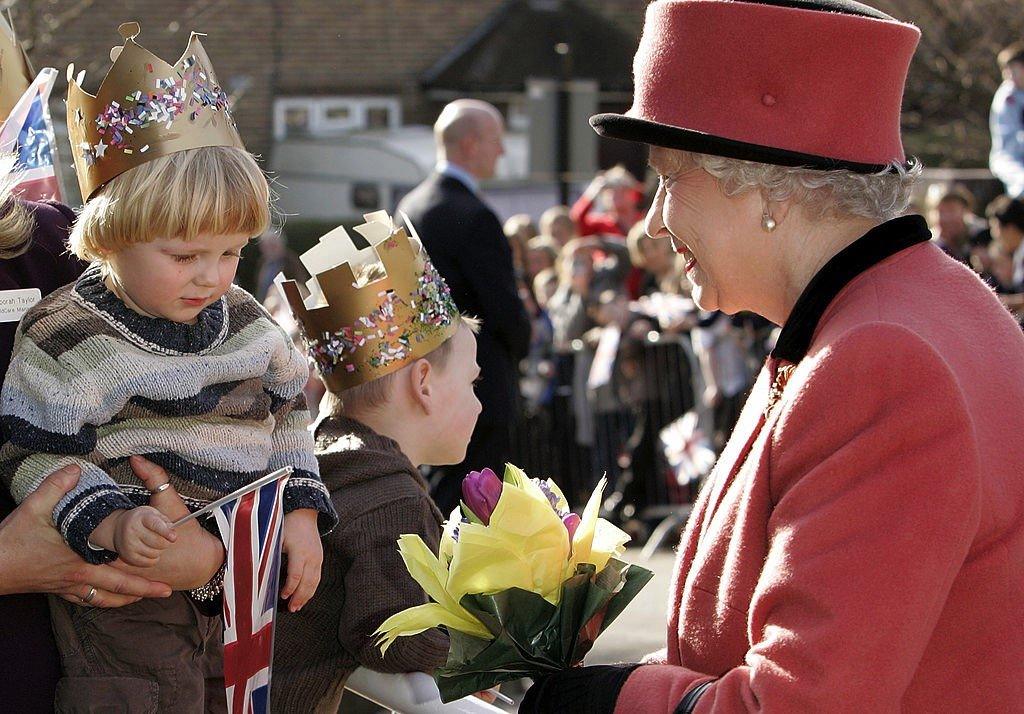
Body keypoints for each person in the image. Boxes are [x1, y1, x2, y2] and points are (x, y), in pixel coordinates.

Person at [522, 1, 1024, 711]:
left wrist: (609, 701)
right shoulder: (894, 311)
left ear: (765, 185)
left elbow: (799, 702)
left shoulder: (881, 356)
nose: (655, 221)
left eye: (669, 177)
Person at [0, 24, 336, 711]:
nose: (211, 276)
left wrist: (292, 513)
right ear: (111, 239)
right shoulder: (70, 332)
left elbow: (288, 416)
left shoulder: (243, 319)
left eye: (230, 253)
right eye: (185, 256)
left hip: (225, 591)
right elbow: (38, 454)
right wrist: (106, 523)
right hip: (118, 613)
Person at [271, 213, 482, 711]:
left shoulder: (319, 461)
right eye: (473, 383)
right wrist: (476, 651)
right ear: (423, 383)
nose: (479, 404)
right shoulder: (390, 499)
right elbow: (395, 637)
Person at [397, 99, 530, 513]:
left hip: (428, 377)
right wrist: (525, 340)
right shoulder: (473, 216)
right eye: (496, 141)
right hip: (481, 382)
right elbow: (503, 308)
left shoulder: (412, 207)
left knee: (442, 489)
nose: (502, 152)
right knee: (478, 506)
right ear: (471, 144)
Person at [571, 165, 645, 238]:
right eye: (611, 190)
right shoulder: (601, 224)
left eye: (623, 189)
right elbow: (575, 221)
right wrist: (593, 190)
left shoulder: (645, 220)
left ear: (633, 193)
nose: (617, 194)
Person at [990, 42, 1024, 197]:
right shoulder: (1008, 96)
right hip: (1011, 157)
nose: (1009, 75)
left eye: (1014, 70)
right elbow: (1009, 141)